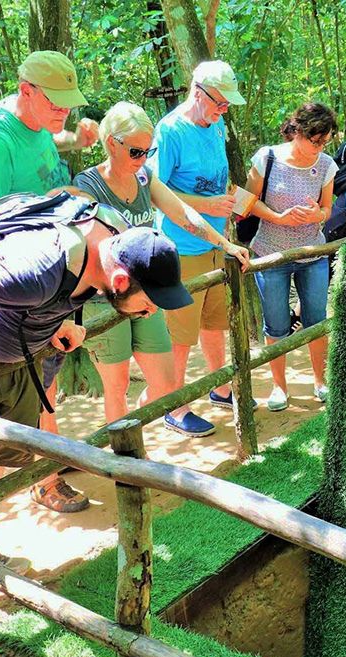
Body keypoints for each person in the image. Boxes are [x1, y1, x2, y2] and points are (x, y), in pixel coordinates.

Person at [0, 199, 195, 607]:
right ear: (120, 282)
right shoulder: (36, 273)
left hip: (14, 362)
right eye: (148, 302)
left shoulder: (105, 243)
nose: (150, 310)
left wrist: (56, 324)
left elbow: (61, 295)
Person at [0, 50, 99, 513]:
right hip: (19, 290)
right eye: (56, 103)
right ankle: (45, 478)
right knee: (37, 390)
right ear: (26, 91)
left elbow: (45, 148)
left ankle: (48, 462)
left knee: (47, 386)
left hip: (49, 284)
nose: (64, 111)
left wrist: (75, 139)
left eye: (68, 103)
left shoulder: (36, 123)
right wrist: (49, 204)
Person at [73, 102, 250, 435]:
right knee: (118, 383)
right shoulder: (87, 187)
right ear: (112, 143)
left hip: (146, 293)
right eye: (137, 151)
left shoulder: (144, 176)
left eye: (148, 150)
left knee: (164, 380)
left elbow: (183, 214)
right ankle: (129, 462)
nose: (143, 159)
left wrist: (224, 243)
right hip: (106, 295)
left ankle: (161, 412)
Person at [148, 61, 247, 412]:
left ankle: (219, 389)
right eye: (219, 103)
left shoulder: (215, 125)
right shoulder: (170, 131)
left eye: (226, 106)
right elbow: (154, 189)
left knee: (213, 324)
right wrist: (207, 203)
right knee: (180, 335)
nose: (223, 111)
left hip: (215, 243)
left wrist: (227, 202)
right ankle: (174, 407)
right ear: (198, 92)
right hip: (181, 248)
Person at [243, 103, 337, 411]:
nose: (320, 147)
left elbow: (327, 209)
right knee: (277, 323)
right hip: (271, 253)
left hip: (312, 251)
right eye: (315, 140)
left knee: (316, 319)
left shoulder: (326, 165)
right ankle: (279, 387)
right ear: (297, 132)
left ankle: (320, 381)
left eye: (325, 141)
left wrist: (317, 214)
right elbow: (247, 200)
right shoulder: (267, 157)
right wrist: (277, 217)